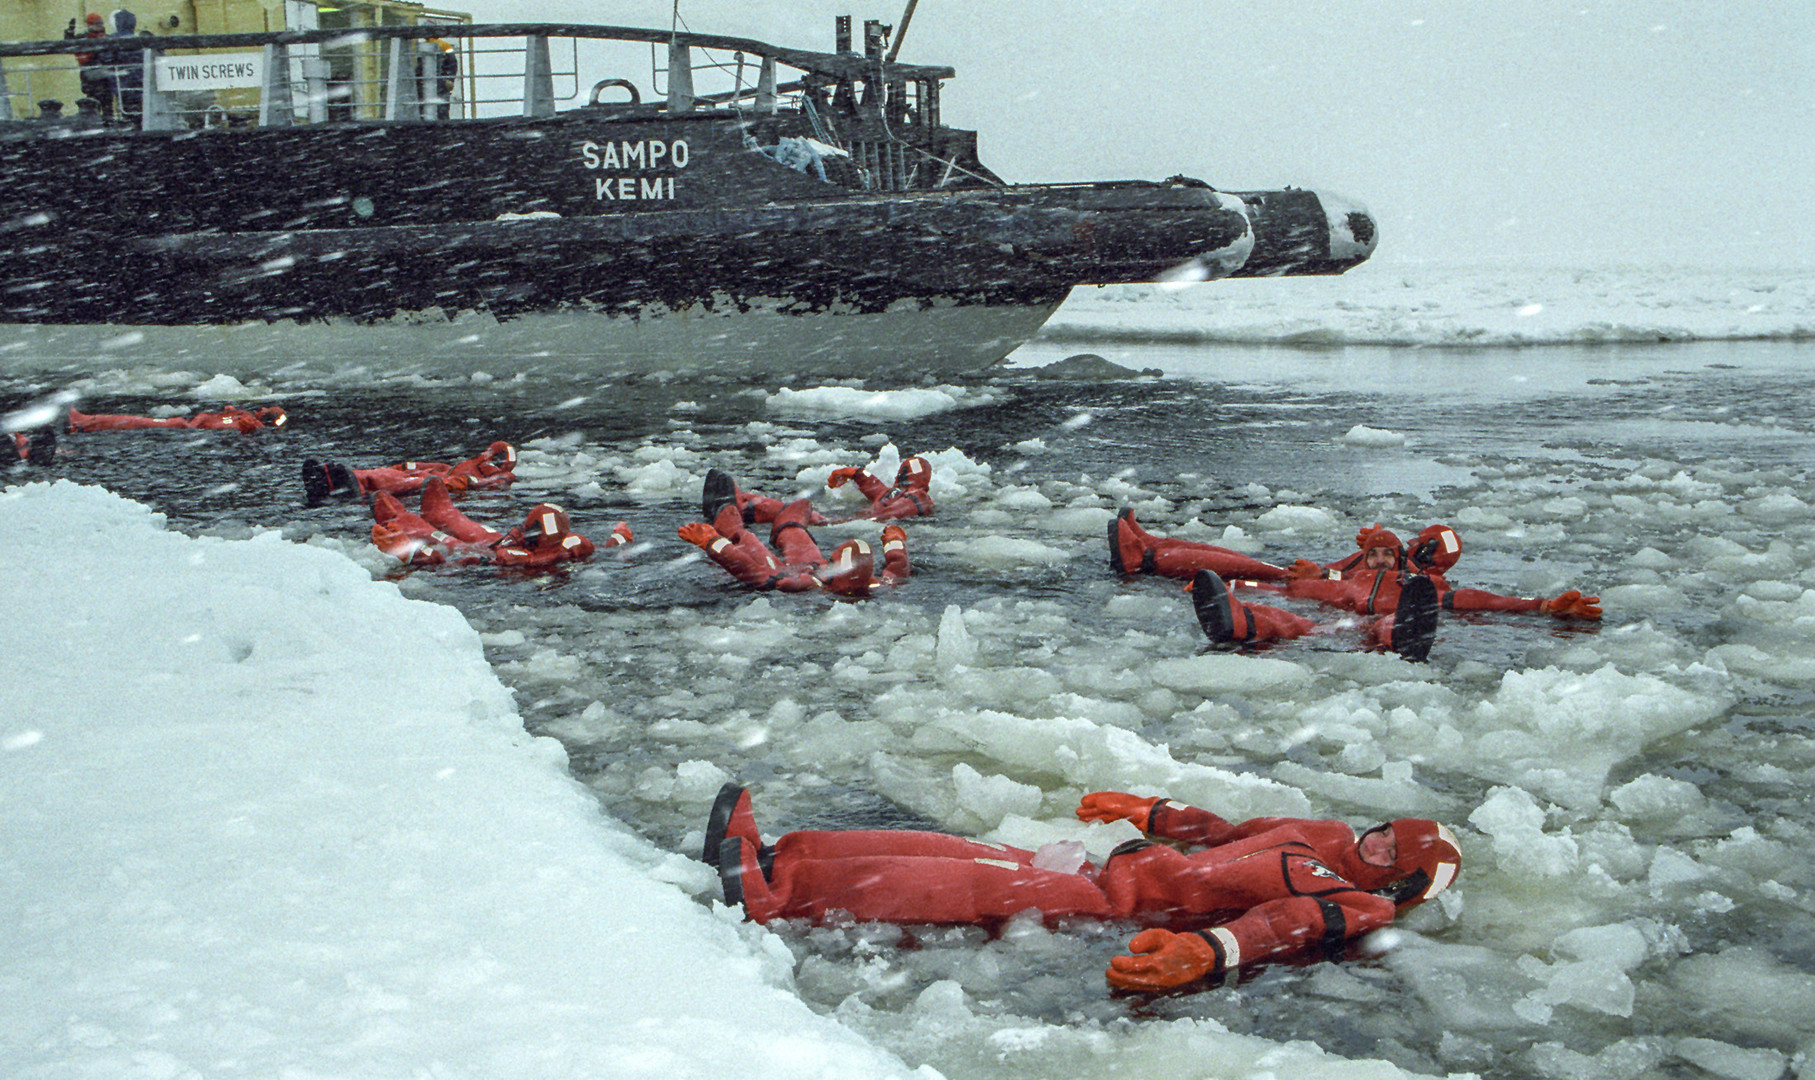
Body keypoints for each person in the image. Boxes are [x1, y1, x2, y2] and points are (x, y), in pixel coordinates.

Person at [704, 783, 1461, 993]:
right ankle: (780, 850)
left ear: (1403, 877)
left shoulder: (1364, 903)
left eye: (1397, 851)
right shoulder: (1322, 833)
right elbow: (1221, 832)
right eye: (1390, 828)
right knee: (949, 848)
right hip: (1110, 868)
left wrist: (1208, 951)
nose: (1380, 840)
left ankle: (775, 894)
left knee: (955, 886)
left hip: (1118, 905)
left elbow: (1290, 922)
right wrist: (1146, 810)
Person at [1114, 510, 1602, 622]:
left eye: (1393, 552)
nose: (1384, 556)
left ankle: (1152, 556)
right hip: (1316, 592)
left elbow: (1472, 599)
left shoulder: (1417, 583)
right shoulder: (1365, 565)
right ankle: (1151, 545)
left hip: (1347, 617)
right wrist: (1227, 585)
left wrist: (1538, 606)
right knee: (1258, 570)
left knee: (1292, 616)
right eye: (1378, 553)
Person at [678, 470, 908, 596]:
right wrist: (895, 541)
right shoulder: (873, 583)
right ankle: (748, 508)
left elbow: (753, 573)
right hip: (806, 562)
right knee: (800, 508)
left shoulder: (808, 584)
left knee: (745, 539)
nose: (829, 563)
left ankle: (727, 517)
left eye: (832, 561)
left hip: (781, 571)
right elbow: (897, 567)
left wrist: (713, 543)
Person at [368, 474, 629, 568]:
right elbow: (606, 550)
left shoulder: (513, 558)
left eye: (527, 527)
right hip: (496, 545)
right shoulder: (576, 545)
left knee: (451, 542)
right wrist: (619, 536)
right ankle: (442, 514)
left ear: (533, 535)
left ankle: (406, 522)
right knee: (477, 530)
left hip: (483, 552)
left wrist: (407, 552)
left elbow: (449, 564)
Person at [302, 442, 517, 506]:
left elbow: (408, 470)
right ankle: (330, 481)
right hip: (425, 476)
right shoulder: (452, 467)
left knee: (400, 481)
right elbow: (416, 472)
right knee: (387, 477)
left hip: (433, 480)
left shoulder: (485, 471)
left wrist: (469, 481)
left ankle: (338, 485)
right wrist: (401, 467)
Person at [826, 456, 935, 520]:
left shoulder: (884, 492)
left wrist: (850, 472)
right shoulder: (921, 496)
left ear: (900, 475)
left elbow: (867, 478)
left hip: (861, 518)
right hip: (877, 521)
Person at [68, 404, 287, 434]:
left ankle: (84, 422)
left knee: (130, 420)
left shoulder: (245, 419)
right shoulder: (244, 417)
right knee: (130, 421)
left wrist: (193, 424)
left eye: (268, 408)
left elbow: (219, 424)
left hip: (182, 426)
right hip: (183, 425)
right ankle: (85, 423)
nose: (263, 406)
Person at [65, 13, 114, 120]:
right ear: (89, 25)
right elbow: (69, 45)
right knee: (93, 105)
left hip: (104, 78)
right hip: (92, 79)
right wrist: (69, 32)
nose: (99, 26)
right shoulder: (87, 38)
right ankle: (98, 125)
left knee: (106, 106)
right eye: (96, 24)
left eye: (100, 23)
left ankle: (106, 126)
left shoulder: (106, 38)